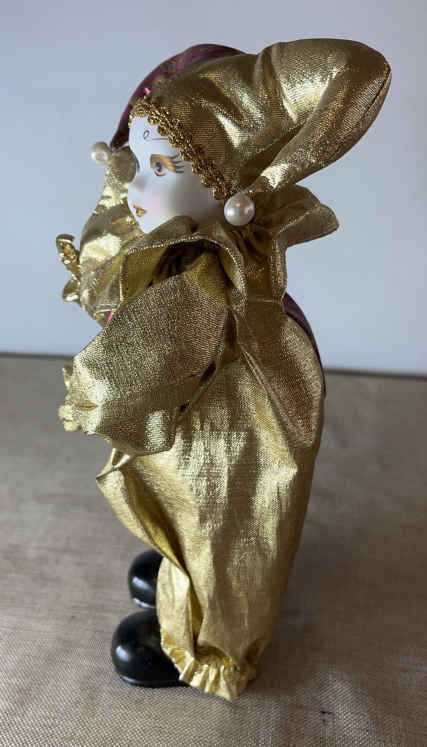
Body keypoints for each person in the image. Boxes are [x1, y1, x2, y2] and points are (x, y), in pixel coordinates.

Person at [57, 39, 391, 701]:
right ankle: (181, 557)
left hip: (231, 424)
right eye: (139, 162)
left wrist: (90, 397)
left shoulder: (205, 283)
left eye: (160, 167)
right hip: (200, 418)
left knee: (223, 511)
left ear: (227, 190)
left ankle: (210, 640)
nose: (136, 186)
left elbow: (143, 362)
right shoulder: (182, 252)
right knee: (186, 492)